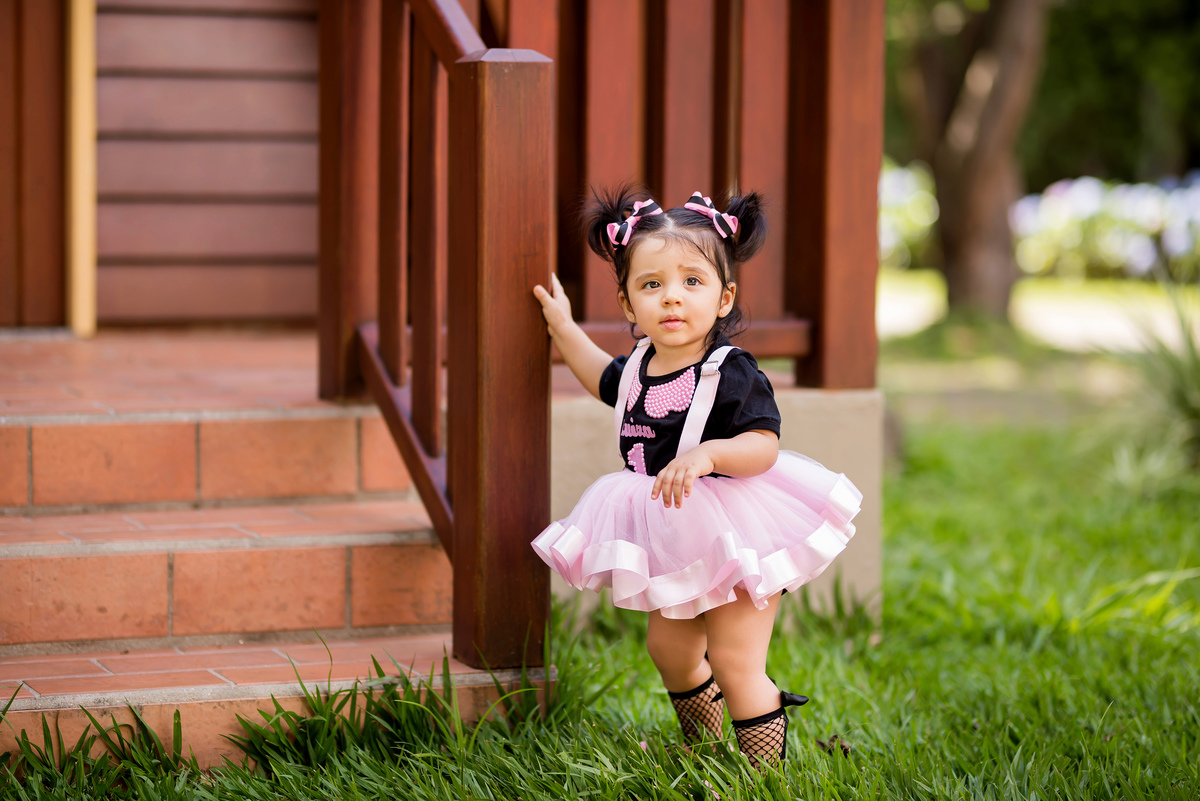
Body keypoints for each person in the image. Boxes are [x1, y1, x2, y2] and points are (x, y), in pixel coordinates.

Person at [531, 187, 862, 769]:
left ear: (724, 296)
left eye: (692, 281)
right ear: (629, 305)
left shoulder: (728, 370)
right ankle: (703, 748)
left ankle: (763, 771)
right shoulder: (638, 365)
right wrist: (562, 327)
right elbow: (598, 377)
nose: (672, 299)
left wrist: (708, 455)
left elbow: (762, 446)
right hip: (674, 534)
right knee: (671, 649)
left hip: (735, 529)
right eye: (651, 285)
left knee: (735, 659)